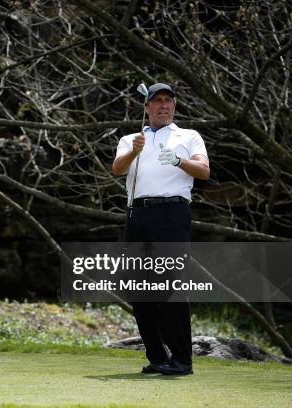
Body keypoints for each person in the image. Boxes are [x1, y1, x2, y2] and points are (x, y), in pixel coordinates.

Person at [112, 83, 210, 375]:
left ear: (174, 106)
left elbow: (204, 171)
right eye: (157, 101)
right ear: (147, 107)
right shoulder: (131, 138)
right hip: (137, 215)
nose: (163, 105)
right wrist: (134, 151)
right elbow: (117, 169)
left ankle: (181, 359)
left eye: (168, 100)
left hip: (171, 214)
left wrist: (179, 161)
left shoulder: (188, 136)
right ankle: (157, 356)